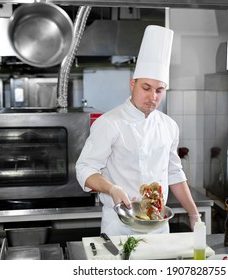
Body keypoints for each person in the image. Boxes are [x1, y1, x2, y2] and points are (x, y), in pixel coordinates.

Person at [75, 25, 201, 236]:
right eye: (146, 88)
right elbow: (85, 169)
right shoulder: (109, 123)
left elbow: (174, 173)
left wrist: (194, 213)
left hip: (159, 226)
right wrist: (112, 189)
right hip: (119, 226)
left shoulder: (169, 126)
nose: (152, 97)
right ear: (132, 84)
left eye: (159, 90)